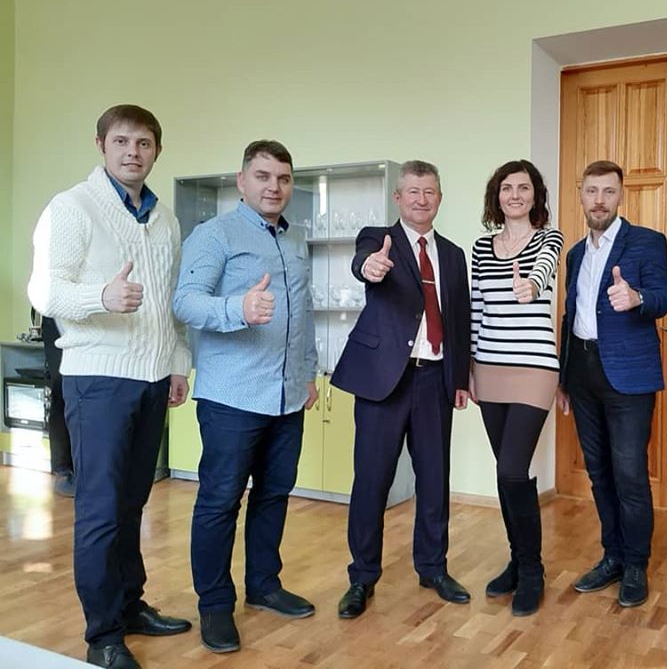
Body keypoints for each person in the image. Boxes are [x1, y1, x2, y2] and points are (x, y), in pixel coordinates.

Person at [27, 104, 192, 669]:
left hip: (152, 379)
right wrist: (101, 297)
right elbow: (44, 292)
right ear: (101, 145)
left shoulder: (165, 219)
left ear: (156, 151)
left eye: (143, 143)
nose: (132, 152)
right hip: (97, 379)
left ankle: (129, 605)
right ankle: (102, 636)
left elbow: (169, 303)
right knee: (100, 510)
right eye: (121, 141)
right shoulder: (71, 207)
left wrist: (177, 362)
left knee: (132, 503)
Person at [173, 140, 318, 654]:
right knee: (219, 501)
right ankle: (215, 605)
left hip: (287, 395)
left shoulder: (294, 239)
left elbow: (303, 311)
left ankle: (264, 585)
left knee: (274, 494)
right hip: (232, 397)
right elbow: (185, 302)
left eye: (283, 178)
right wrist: (239, 308)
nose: (274, 187)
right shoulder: (214, 234)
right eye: (263, 176)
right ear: (241, 181)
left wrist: (307, 372)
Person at [331, 160, 471, 619]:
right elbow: (364, 264)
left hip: (435, 380)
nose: (421, 199)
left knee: (435, 480)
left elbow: (460, 318)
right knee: (372, 481)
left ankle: (433, 568)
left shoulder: (453, 254)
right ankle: (362, 577)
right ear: (398, 198)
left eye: (429, 192)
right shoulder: (378, 238)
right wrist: (370, 266)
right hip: (383, 382)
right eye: (413, 191)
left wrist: (460, 378)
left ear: (439, 198)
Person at [556, 160, 667, 608]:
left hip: (628, 378)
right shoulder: (575, 254)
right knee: (599, 471)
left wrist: (637, 297)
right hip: (582, 374)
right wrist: (564, 377)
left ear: (621, 195)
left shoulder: (646, 242)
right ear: (581, 196)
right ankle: (613, 556)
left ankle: (636, 564)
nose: (599, 200)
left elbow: (662, 298)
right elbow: (570, 315)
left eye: (608, 191)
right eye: (592, 191)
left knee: (629, 473)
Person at [469, 160, 564, 616]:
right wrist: (469, 369)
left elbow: (543, 270)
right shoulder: (481, 246)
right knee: (509, 473)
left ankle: (532, 570)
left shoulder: (549, 238)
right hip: (489, 369)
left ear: (535, 195)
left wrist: (530, 286)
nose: (515, 195)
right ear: (497, 195)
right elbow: (476, 308)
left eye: (523, 188)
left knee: (511, 470)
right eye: (507, 188)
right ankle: (516, 559)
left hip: (534, 369)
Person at [41, 314, 74, 497]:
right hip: (57, 320)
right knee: (62, 390)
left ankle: (83, 468)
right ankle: (62, 469)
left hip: (92, 324)